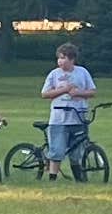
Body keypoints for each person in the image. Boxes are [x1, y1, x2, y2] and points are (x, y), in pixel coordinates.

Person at [40, 38, 97, 169]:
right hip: (59, 119)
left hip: (78, 118)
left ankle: (79, 177)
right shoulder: (54, 74)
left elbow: (92, 91)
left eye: (63, 58)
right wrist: (63, 90)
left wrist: (78, 93)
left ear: (72, 59)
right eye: (59, 58)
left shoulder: (82, 72)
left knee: (77, 151)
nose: (60, 61)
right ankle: (52, 176)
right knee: (57, 151)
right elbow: (45, 94)